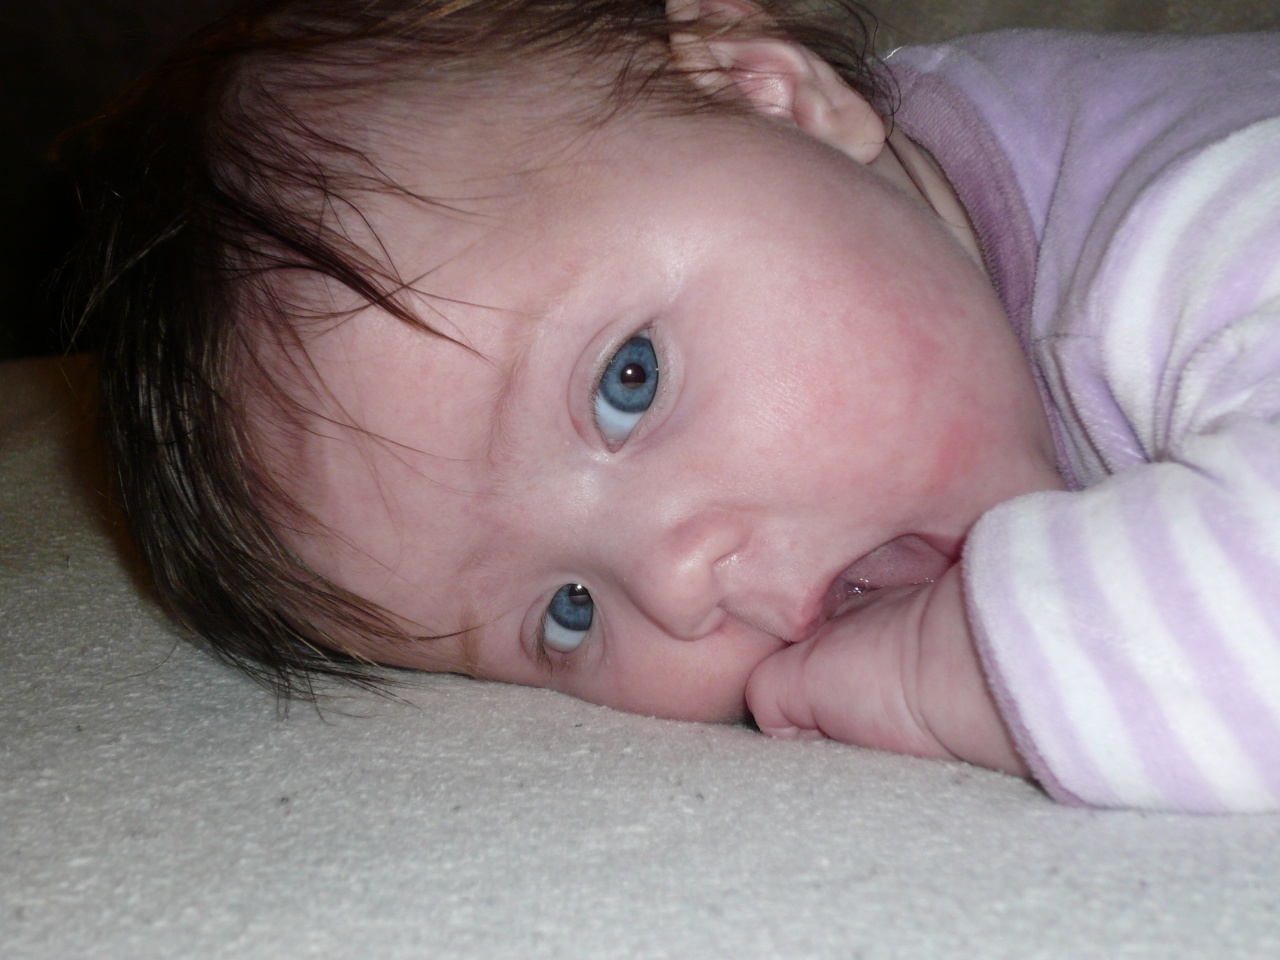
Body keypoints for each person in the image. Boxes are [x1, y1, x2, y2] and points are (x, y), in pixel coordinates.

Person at [72, 0, 1280, 812]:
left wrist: (966, 667)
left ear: (769, 92)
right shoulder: (870, 227)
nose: (676, 584)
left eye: (627, 382)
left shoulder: (1200, 219)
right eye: (566, 614)